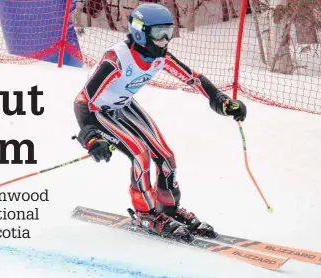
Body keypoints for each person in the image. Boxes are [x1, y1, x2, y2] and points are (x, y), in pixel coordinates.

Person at [73, 3, 247, 242]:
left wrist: (221, 100)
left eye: (169, 32)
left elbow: (193, 79)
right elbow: (83, 99)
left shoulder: (159, 57)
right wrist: (90, 137)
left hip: (124, 106)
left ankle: (168, 209)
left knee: (165, 157)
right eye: (159, 33)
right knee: (140, 155)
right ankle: (145, 213)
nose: (165, 40)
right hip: (98, 111)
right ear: (139, 32)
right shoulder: (117, 59)